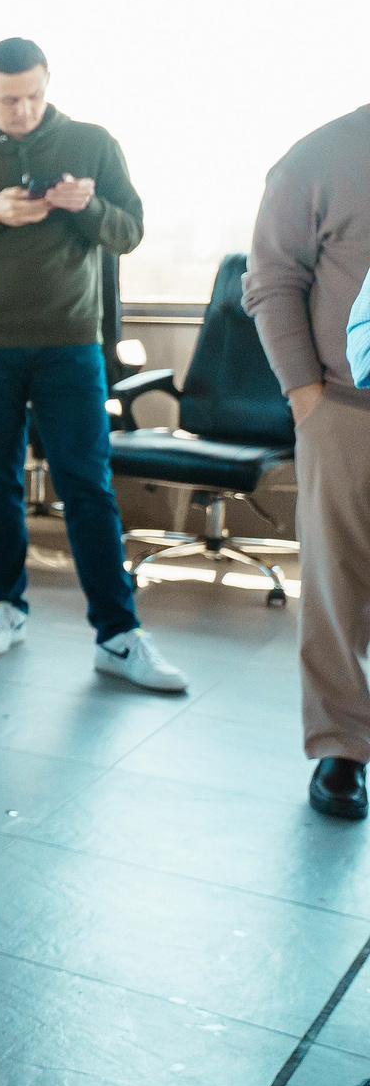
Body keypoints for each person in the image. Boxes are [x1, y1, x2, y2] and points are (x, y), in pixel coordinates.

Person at [0, 38, 186, 691]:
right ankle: (5, 607)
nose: (23, 109)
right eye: (9, 99)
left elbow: (129, 232)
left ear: (47, 82)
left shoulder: (93, 142)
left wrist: (83, 205)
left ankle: (118, 634)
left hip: (71, 346)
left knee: (87, 484)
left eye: (33, 94)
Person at [244, 103, 370, 821]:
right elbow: (271, 277)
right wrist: (306, 398)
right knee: (337, 585)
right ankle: (342, 749)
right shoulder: (321, 157)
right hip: (347, 410)